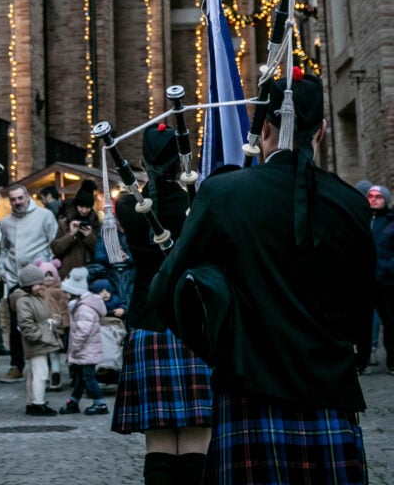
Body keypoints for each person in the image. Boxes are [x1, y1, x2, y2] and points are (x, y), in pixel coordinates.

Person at [149, 70, 376, 485]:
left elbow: (165, 290)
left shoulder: (223, 194)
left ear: (264, 125)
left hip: (248, 394)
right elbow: (363, 309)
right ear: (322, 130)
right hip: (330, 395)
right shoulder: (352, 205)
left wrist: (220, 346)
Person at [111, 125, 212, 485]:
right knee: (198, 434)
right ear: (182, 159)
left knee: (158, 438)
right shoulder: (197, 201)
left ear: (143, 160)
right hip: (193, 324)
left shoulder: (126, 205)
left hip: (147, 322)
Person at [0, 183, 57, 383]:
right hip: (15, 279)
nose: (17, 202)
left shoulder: (45, 216)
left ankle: (47, 366)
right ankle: (16, 365)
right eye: (13, 199)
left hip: (39, 278)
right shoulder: (6, 222)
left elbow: (53, 244)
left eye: (20, 198)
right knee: (17, 324)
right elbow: (4, 250)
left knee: (42, 321)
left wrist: (48, 271)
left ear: (27, 196)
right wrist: (2, 270)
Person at [10, 263, 61, 416]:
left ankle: (32, 402)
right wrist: (40, 335)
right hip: (37, 342)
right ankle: (38, 403)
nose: (41, 286)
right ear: (29, 284)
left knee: (34, 373)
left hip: (39, 340)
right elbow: (26, 324)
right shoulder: (24, 300)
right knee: (41, 373)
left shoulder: (32, 297)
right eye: (38, 283)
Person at [58, 266, 109, 416]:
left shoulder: (84, 309)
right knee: (81, 378)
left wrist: (74, 347)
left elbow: (82, 332)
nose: (65, 295)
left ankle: (100, 403)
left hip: (85, 351)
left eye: (67, 293)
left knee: (88, 378)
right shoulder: (82, 306)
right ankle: (74, 401)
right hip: (86, 350)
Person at [365, 184, 394, 375]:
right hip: (365, 281)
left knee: (390, 323)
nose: (374, 199)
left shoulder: (391, 222)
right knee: (364, 324)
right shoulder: (362, 220)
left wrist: (385, 269)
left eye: (378, 196)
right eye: (370, 196)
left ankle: (392, 361)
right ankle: (363, 360)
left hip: (387, 282)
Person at [52, 185, 101, 279]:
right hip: (68, 274)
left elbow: (100, 251)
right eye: (81, 206)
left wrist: (90, 237)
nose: (84, 210)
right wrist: (70, 234)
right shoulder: (64, 223)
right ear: (76, 205)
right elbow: (56, 250)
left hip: (89, 273)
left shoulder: (95, 222)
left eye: (88, 207)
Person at [34, 258, 69, 388]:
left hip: (55, 326)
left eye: (51, 275)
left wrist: (63, 322)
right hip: (41, 326)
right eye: (45, 275)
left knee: (54, 353)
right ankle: (46, 375)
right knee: (43, 353)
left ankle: (56, 374)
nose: (48, 278)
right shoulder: (37, 291)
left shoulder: (59, 291)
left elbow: (65, 308)